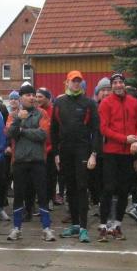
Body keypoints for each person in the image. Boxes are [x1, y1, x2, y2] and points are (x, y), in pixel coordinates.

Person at [51, 70, 100, 243]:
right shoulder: (59, 102)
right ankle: (75, 224)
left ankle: (84, 227)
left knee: (82, 187)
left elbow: (96, 130)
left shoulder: (89, 103)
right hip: (65, 151)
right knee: (70, 188)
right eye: (73, 81)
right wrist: (56, 154)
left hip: (83, 151)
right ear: (67, 82)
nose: (76, 84)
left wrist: (94, 154)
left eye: (79, 81)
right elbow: (54, 130)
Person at [98, 73, 137, 242]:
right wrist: (125, 139)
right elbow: (104, 129)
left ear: (124, 84)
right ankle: (103, 225)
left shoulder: (134, 102)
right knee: (108, 189)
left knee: (124, 190)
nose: (118, 85)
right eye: (115, 83)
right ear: (112, 85)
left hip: (128, 154)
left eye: (121, 82)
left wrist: (136, 140)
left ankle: (117, 225)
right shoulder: (106, 103)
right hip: (111, 152)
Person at [6, 84, 56, 242]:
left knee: (42, 194)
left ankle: (46, 228)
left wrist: (23, 131)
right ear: (20, 98)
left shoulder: (42, 113)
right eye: (28, 95)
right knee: (18, 195)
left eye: (33, 95)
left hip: (38, 160)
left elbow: (43, 134)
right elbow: (10, 133)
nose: (32, 98)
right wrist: (18, 120)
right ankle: (16, 228)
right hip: (19, 161)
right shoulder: (13, 115)